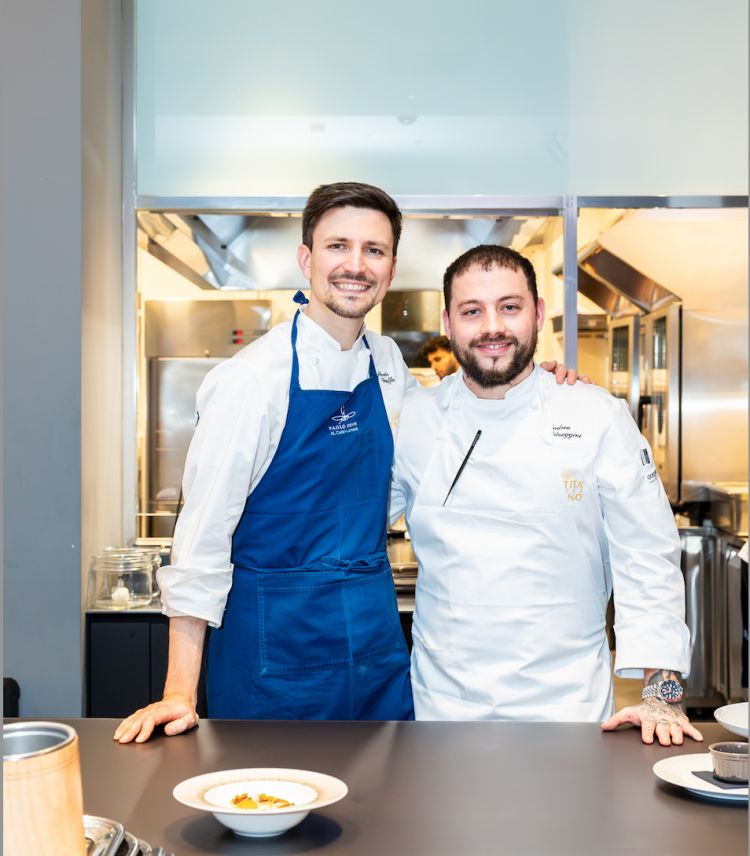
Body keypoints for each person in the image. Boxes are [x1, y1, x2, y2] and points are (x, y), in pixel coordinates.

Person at [114, 186, 579, 743]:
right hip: (275, 659)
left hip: (375, 651)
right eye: (339, 246)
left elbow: (440, 438)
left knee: (390, 818)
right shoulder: (251, 381)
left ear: (391, 268)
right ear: (307, 258)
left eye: (374, 251)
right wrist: (178, 694)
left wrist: (536, 383)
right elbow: (201, 541)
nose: (356, 266)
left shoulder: (386, 363)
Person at [390, 244, 703, 747]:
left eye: (510, 307)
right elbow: (354, 518)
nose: (493, 327)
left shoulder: (595, 414)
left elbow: (646, 555)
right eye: (473, 311)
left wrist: (661, 693)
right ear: (448, 323)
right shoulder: (414, 420)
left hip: (570, 708)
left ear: (537, 314)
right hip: (444, 708)